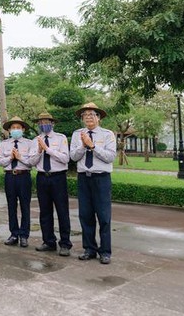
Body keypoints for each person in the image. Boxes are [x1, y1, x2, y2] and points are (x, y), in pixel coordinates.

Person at [70, 102, 117, 265]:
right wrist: (83, 146)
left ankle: (105, 251)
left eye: (92, 114)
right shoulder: (77, 134)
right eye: (85, 115)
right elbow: (74, 157)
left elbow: (110, 157)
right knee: (85, 215)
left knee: (104, 216)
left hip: (101, 179)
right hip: (84, 178)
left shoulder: (108, 134)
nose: (88, 117)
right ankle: (89, 248)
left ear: (99, 118)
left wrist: (93, 146)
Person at [28, 112, 72, 256]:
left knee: (62, 211)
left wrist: (48, 150)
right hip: (42, 177)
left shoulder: (61, 138)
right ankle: (48, 241)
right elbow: (31, 162)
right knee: (45, 211)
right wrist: (40, 151)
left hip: (58, 177)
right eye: (40, 122)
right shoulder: (35, 140)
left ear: (52, 123)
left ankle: (65, 243)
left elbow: (65, 158)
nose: (43, 124)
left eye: (46, 122)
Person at [0, 116, 35, 248]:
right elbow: (0, 162)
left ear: (23, 129)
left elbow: (32, 162)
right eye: (13, 128)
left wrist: (20, 157)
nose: (15, 130)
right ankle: (14, 233)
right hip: (10, 176)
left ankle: (24, 235)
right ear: (9, 130)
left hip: (24, 176)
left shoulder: (30, 143)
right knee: (11, 206)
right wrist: (10, 157)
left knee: (25, 206)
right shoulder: (4, 144)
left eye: (18, 127)